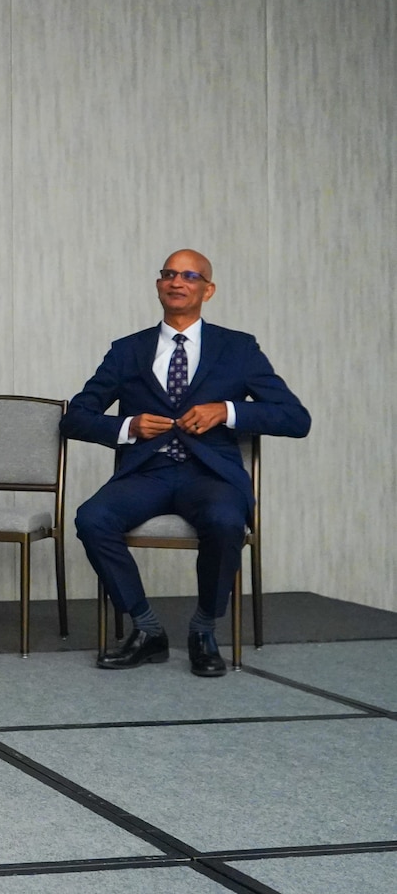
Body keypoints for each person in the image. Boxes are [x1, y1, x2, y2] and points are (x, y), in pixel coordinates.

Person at [62, 250, 310, 678]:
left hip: (209, 475)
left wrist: (228, 411)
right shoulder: (127, 351)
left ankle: (203, 630)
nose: (177, 282)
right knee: (92, 518)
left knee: (224, 520)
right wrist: (129, 426)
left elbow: (295, 418)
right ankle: (146, 630)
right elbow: (75, 418)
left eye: (190, 276)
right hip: (147, 472)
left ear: (207, 290)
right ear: (159, 285)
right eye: (169, 274)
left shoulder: (238, 348)